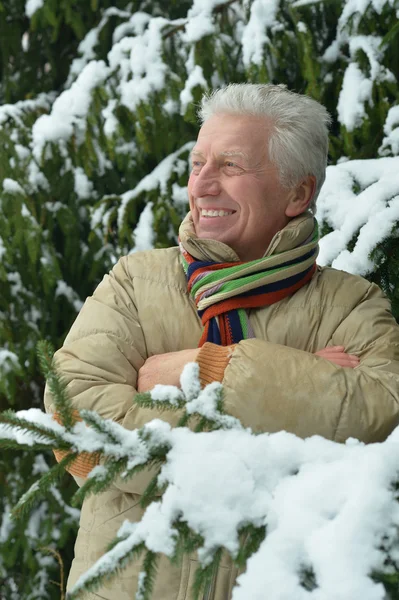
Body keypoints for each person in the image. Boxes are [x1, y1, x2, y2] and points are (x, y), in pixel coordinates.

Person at [44, 83, 399, 600]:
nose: (203, 185)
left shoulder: (352, 305)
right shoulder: (136, 282)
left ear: (298, 193)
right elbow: (79, 435)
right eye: (197, 164)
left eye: (230, 166)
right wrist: (293, 385)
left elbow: (380, 414)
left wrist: (196, 369)